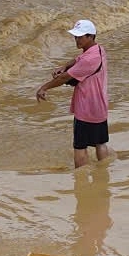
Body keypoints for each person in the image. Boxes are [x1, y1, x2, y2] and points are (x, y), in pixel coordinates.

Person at [34, 18, 112, 168]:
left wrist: (44, 88)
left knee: (80, 147)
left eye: (80, 37)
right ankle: (103, 172)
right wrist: (64, 66)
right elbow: (78, 59)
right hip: (99, 107)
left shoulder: (89, 60)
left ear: (90, 36)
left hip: (86, 108)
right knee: (100, 143)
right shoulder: (99, 50)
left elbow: (64, 78)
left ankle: (81, 177)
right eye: (76, 36)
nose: (77, 40)